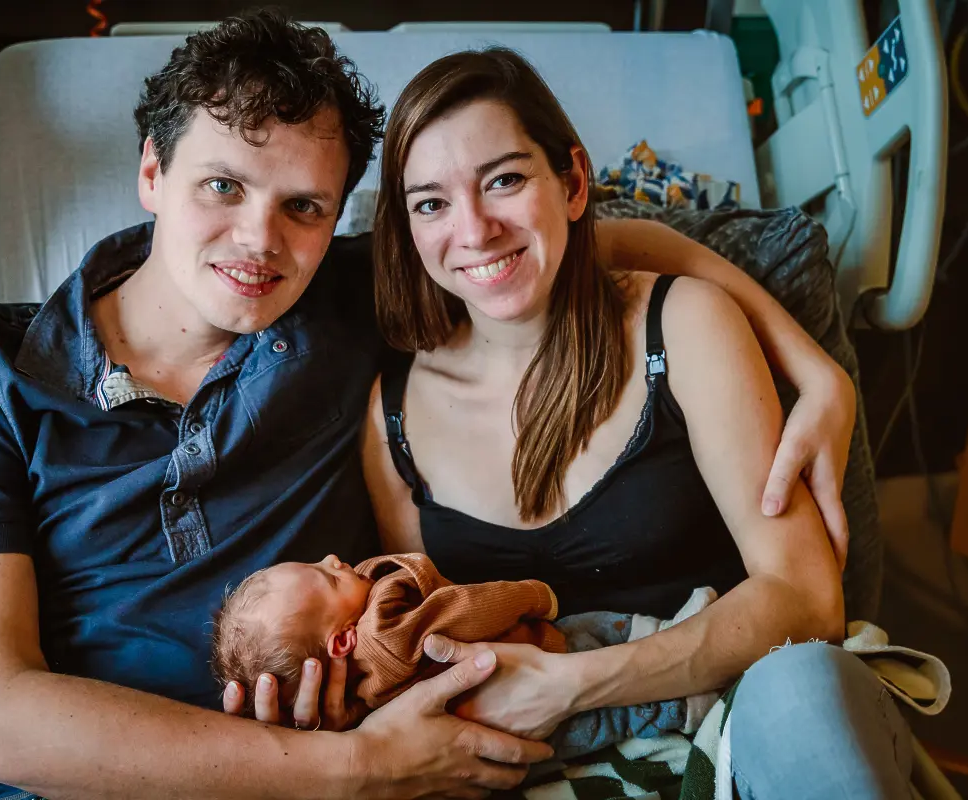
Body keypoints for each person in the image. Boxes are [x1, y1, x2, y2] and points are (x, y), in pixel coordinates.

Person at [0, 11, 858, 800]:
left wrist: (818, 368)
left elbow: (568, 241)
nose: (259, 241)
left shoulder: (338, 304)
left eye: (305, 207)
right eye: (222, 185)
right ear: (152, 171)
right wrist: (349, 767)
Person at [349, 48, 913, 798]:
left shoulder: (681, 326)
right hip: (536, 767)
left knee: (805, 688)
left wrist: (574, 683)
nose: (476, 229)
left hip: (738, 718)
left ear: (573, 181)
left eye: (506, 180)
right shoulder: (392, 419)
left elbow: (806, 598)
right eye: (432, 203)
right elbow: (427, 646)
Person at [211, 553, 718, 759]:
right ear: (342, 641)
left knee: (594, 703)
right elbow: (461, 610)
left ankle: (677, 646)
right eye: (330, 577)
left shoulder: (358, 691)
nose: (333, 559)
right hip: (527, 664)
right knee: (596, 660)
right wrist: (533, 596)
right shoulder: (386, 626)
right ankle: (685, 702)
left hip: (493, 721)